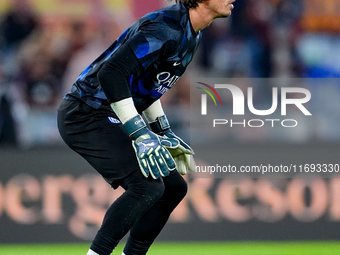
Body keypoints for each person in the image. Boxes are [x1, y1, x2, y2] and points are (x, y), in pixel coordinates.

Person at [57, 0, 235, 254]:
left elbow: (147, 86)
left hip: (108, 112)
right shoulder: (167, 28)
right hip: (86, 112)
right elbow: (112, 73)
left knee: (173, 188)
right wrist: (140, 133)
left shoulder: (190, 33)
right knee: (147, 186)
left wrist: (163, 130)